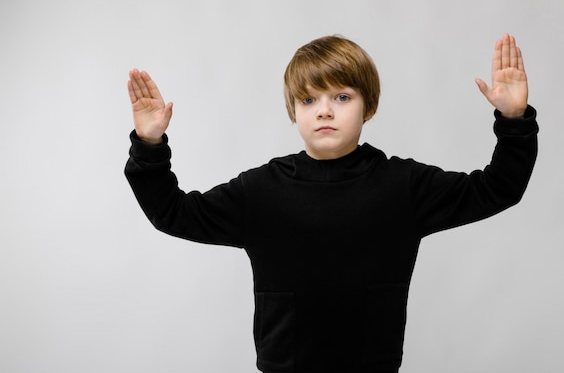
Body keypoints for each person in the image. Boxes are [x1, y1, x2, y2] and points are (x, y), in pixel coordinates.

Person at [125, 34, 538, 373]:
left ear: (368, 106)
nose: (324, 111)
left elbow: (497, 188)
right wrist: (149, 145)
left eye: (341, 97)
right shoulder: (261, 190)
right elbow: (173, 212)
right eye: (309, 100)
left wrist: (515, 120)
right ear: (293, 110)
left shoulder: (404, 185)